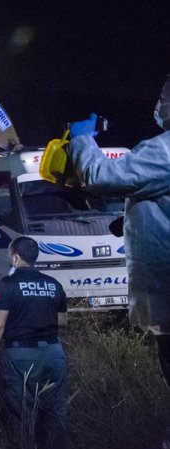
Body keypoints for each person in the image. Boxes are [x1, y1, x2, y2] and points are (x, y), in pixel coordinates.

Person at [67, 74, 170, 388]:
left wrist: (82, 139)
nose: (159, 103)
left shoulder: (164, 151)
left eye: (164, 95)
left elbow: (100, 175)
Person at [0, 236, 68, 449]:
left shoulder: (8, 284)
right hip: (53, 353)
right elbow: (63, 320)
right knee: (54, 412)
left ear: (15, 257)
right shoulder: (54, 284)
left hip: (21, 356)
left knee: (22, 412)